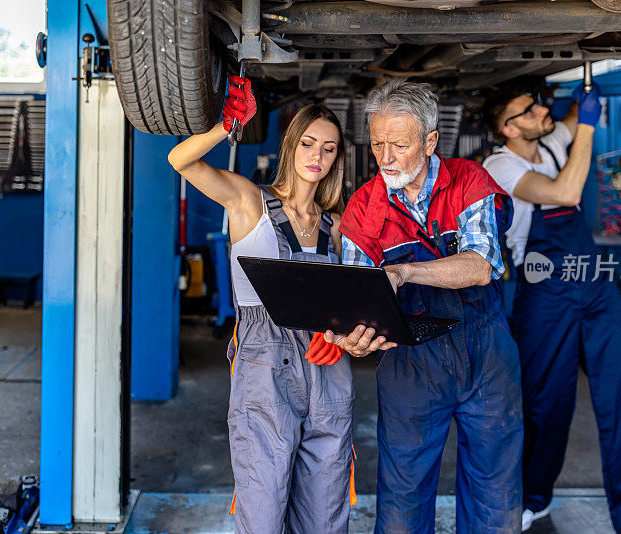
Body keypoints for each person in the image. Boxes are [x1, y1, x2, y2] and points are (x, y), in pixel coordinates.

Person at [168, 77, 379, 533]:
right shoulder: (249, 202)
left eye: (328, 149)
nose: (317, 157)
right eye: (308, 144)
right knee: (263, 513)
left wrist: (342, 336)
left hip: (327, 368)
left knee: (326, 514)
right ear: (290, 145)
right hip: (265, 363)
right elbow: (180, 159)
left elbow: (356, 299)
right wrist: (227, 125)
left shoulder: (338, 226)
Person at [333, 79, 524, 533]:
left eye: (399, 145)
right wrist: (353, 340)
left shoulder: (469, 181)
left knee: (496, 491)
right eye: (377, 144)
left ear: (430, 141)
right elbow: (358, 298)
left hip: (487, 356)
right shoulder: (363, 208)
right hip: (410, 365)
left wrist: (403, 272)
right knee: (402, 497)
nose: (385, 157)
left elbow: (481, 265)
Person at [481, 86, 621, 533]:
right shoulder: (500, 164)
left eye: (540, 101)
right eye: (531, 108)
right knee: (545, 404)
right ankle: (533, 498)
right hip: (544, 290)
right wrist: (585, 124)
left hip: (593, 283)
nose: (543, 110)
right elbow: (564, 192)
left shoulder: (554, 142)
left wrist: (585, 95)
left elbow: (574, 115)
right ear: (509, 128)